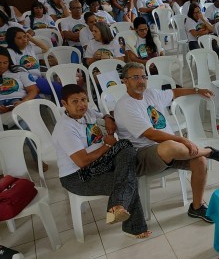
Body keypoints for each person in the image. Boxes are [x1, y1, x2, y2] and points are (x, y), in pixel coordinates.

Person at [113, 62, 219, 222]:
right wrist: (182, 139)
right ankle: (209, 151)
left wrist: (197, 90)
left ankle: (196, 207)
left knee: (200, 161)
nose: (141, 81)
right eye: (135, 77)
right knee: (170, 146)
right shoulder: (125, 105)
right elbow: (152, 135)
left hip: (171, 150)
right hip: (142, 156)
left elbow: (174, 92)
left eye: (143, 77)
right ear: (125, 81)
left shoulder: (151, 94)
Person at [52, 84, 151, 239]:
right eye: (75, 101)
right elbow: (82, 161)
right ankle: (133, 226)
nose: (81, 104)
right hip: (77, 176)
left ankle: (117, 207)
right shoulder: (65, 128)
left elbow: (101, 115)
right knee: (127, 179)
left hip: (99, 163)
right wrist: (107, 145)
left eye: (84, 99)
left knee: (125, 145)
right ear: (64, 104)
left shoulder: (87, 113)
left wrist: (108, 118)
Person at [6, 27, 62, 99]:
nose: (24, 39)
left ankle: (62, 108)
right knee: (37, 101)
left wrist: (31, 39)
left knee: (59, 89)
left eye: (25, 36)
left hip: (37, 79)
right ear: (12, 40)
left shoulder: (29, 48)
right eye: (19, 38)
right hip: (26, 81)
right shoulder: (10, 51)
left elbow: (45, 48)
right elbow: (15, 70)